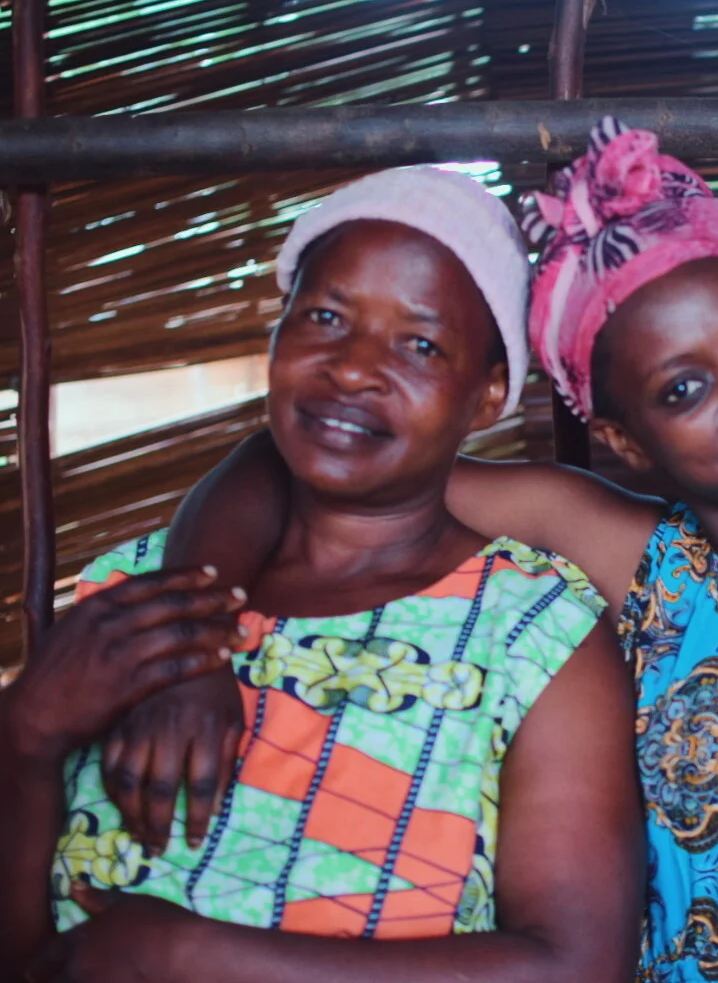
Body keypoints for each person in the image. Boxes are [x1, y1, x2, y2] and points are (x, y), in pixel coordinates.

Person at [108, 119, 718, 981]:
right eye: (682, 389)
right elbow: (298, 456)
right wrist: (188, 642)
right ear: (627, 441)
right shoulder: (640, 564)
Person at [0, 167, 643, 983]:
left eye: (420, 344)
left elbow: (576, 968)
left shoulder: (534, 639)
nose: (352, 368)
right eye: (327, 317)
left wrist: (184, 953)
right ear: (277, 332)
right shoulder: (136, 595)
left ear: (486, 398)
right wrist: (21, 738)